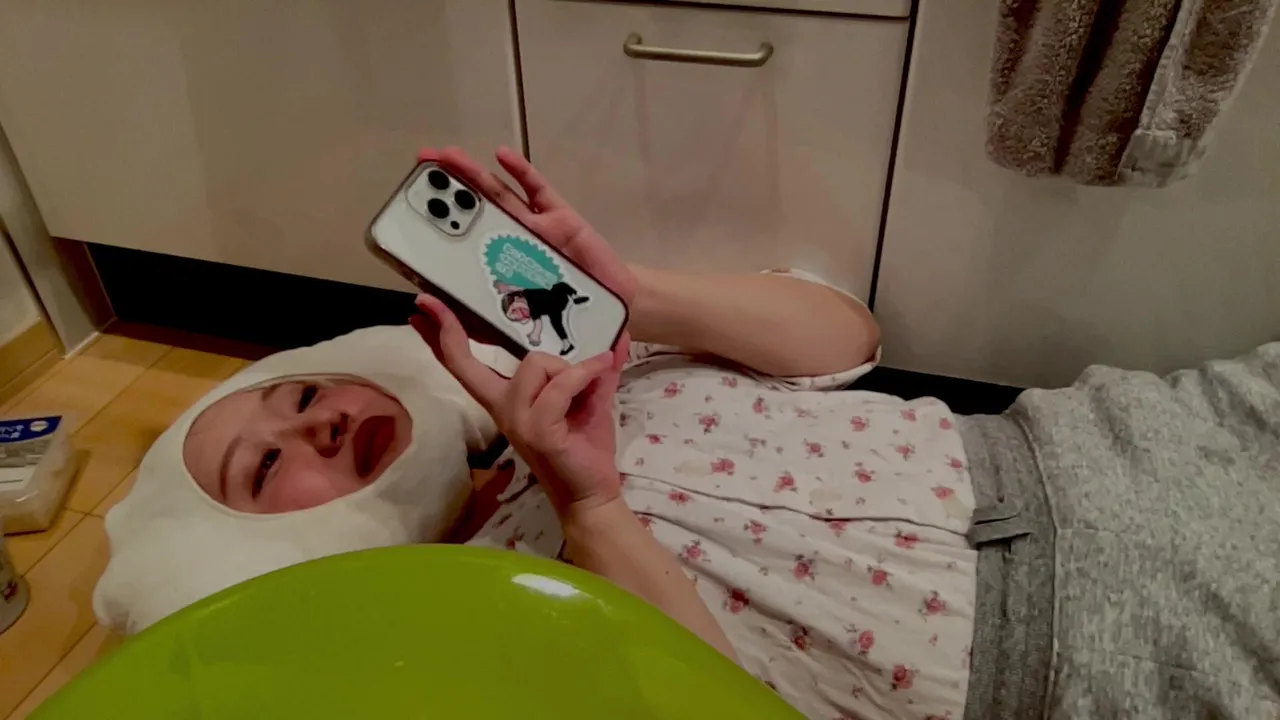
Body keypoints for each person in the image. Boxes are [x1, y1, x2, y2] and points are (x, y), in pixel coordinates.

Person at [95, 148, 1280, 719]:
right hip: (1095, 660)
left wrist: (635, 296)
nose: (319, 420)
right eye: (265, 464)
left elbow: (847, 334)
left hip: (1109, 440)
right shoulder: (497, 615)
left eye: (302, 396)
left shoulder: (590, 368)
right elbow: (705, 704)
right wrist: (588, 504)